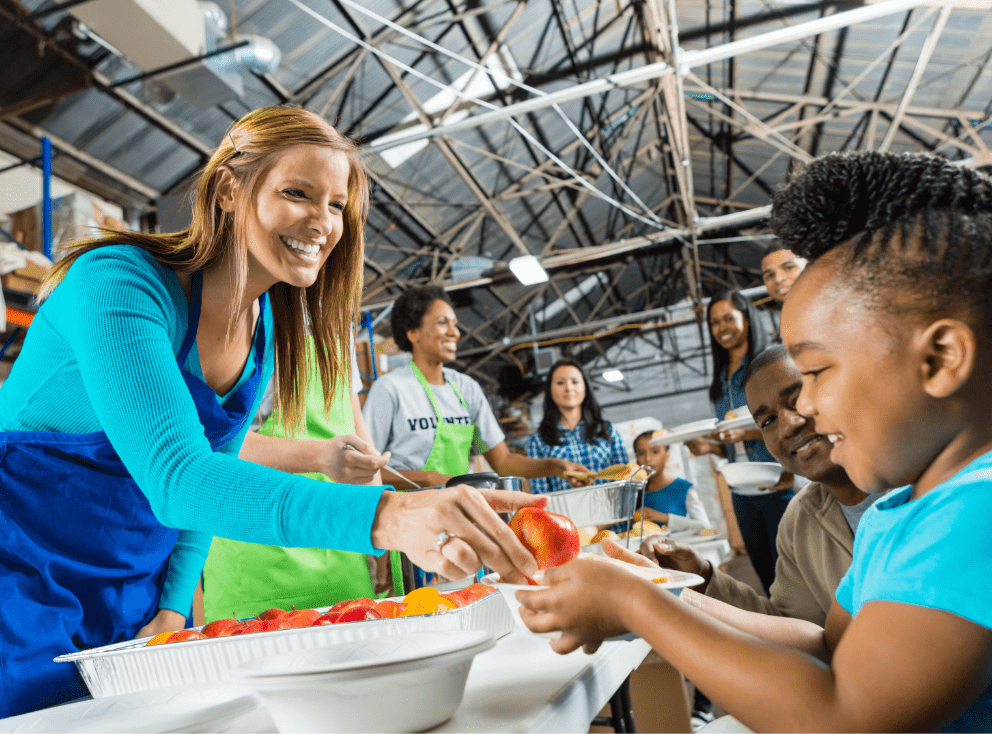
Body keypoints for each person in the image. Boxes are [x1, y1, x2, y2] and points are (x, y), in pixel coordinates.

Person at [0, 106, 543, 718]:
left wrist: (174, 603)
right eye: (298, 193)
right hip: (19, 576)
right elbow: (180, 478)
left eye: (337, 205)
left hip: (129, 586)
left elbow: (212, 476)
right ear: (230, 189)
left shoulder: (257, 334)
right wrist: (388, 516)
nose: (323, 222)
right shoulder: (120, 285)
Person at [516, 150, 992, 732]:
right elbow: (823, 645)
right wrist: (666, 594)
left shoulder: (976, 511)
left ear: (940, 359)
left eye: (815, 374)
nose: (808, 408)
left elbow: (840, 714)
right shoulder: (900, 513)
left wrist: (631, 604)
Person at [642, 345, 876, 625]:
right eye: (768, 420)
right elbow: (791, 626)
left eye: (798, 399)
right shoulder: (800, 521)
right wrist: (702, 576)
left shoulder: (920, 486)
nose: (788, 425)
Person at [202, 337, 402, 622]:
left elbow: (358, 433)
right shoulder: (235, 316)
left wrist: (379, 523)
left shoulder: (335, 321)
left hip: (342, 551)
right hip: (260, 559)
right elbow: (209, 446)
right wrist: (319, 456)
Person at [362, 286, 585, 489]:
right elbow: (365, 467)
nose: (454, 332)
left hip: (458, 507)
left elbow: (504, 463)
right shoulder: (390, 389)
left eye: (455, 324)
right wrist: (429, 479)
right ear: (413, 333)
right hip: (408, 513)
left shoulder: (466, 388)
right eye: (442, 323)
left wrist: (555, 466)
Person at [687, 289, 793, 595]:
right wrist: (711, 447)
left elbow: (786, 420)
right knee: (766, 578)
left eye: (729, 318)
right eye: (715, 322)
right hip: (742, 492)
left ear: (746, 319)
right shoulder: (721, 379)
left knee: (792, 574)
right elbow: (732, 444)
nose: (723, 327)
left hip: (778, 483)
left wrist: (745, 433)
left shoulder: (768, 366)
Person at [526, 358, 626, 495]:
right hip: (565, 515)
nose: (568, 388)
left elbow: (625, 479)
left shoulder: (607, 430)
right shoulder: (537, 442)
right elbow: (540, 493)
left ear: (585, 387)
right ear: (549, 390)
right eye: (560, 382)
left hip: (613, 513)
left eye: (575, 382)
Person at [631, 430, 711, 533]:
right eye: (641, 453)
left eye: (655, 451)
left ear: (667, 455)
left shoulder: (683, 488)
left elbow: (704, 526)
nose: (648, 459)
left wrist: (665, 518)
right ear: (636, 458)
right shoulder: (633, 492)